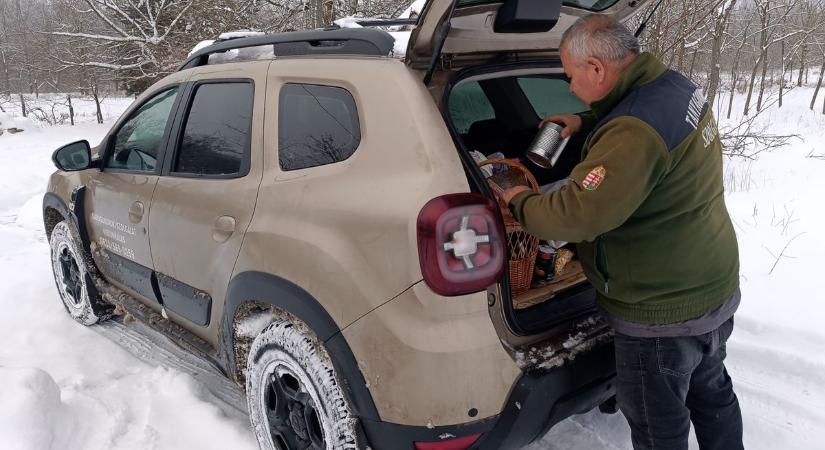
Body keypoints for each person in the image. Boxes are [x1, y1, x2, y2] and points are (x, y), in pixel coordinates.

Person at [501, 14, 744, 450]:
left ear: (596, 68)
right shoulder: (672, 87)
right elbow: (640, 126)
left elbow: (578, 213)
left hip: (662, 313)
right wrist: (584, 119)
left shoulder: (632, 131)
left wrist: (519, 200)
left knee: (657, 427)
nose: (570, 87)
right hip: (711, 287)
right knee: (713, 396)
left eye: (571, 77)